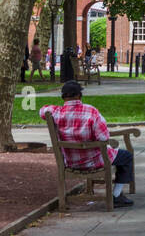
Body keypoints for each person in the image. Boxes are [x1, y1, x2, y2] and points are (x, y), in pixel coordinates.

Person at [41, 80, 134, 208]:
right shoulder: (91, 111)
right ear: (79, 95)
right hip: (95, 161)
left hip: (70, 162)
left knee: (121, 154)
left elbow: (42, 110)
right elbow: (103, 137)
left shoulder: (56, 112)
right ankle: (117, 195)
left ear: (63, 97)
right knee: (127, 156)